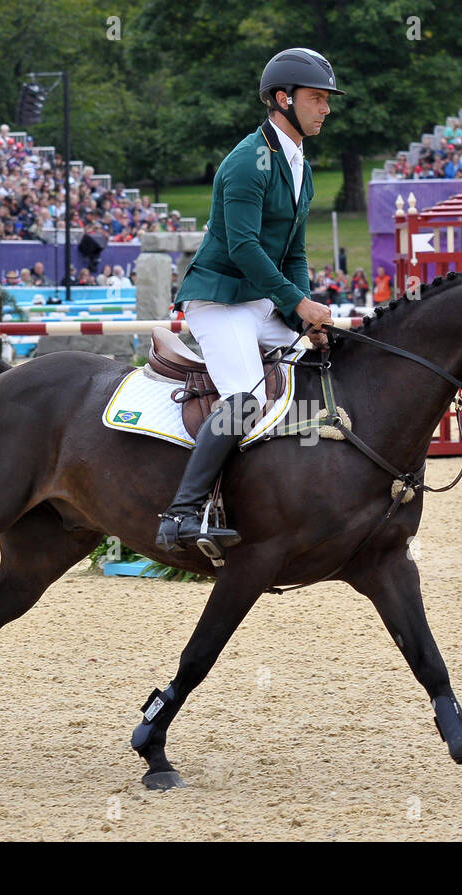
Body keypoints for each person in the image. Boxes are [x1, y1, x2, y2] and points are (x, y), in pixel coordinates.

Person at [155, 48, 342, 554]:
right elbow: (244, 247)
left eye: (327, 100)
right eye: (316, 98)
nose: (326, 108)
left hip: (259, 299)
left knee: (323, 364)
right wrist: (298, 307)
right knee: (244, 398)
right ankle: (182, 512)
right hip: (218, 299)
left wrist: (302, 308)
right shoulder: (247, 161)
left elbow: (295, 250)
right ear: (283, 99)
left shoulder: (300, 160)